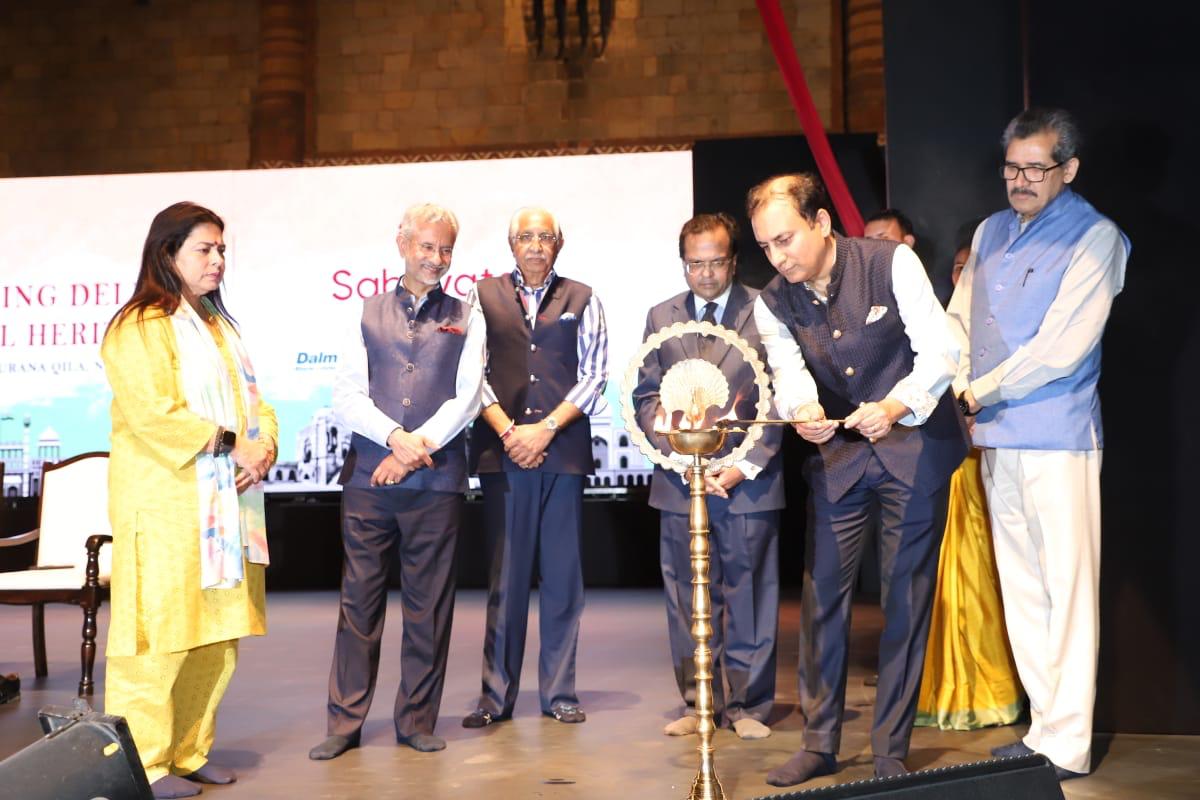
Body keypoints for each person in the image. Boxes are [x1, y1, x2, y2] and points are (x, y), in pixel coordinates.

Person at [748, 174, 968, 786]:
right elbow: (789, 374)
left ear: (820, 223)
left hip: (914, 447)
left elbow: (940, 352)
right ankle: (819, 743)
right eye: (765, 246)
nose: (777, 257)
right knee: (822, 597)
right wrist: (803, 411)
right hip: (840, 458)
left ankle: (890, 748)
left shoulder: (890, 263)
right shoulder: (772, 302)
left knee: (905, 598)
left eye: (785, 239)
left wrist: (895, 406)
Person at [948, 108, 1129, 780]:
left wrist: (982, 388)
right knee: (1023, 589)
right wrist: (959, 378)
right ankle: (1041, 731)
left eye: (1036, 168)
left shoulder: (1096, 237)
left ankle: (1069, 743)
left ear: (1068, 169)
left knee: (1066, 591)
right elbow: (958, 318)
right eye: (1012, 167)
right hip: (997, 437)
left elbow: (1063, 346)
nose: (1020, 180)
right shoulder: (990, 231)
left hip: (1060, 438)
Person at [102, 202, 277, 800]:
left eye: (221, 249)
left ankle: (187, 752)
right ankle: (144, 766)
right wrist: (233, 446)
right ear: (167, 253)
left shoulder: (217, 325)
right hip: (167, 509)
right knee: (158, 639)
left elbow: (257, 405)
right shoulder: (139, 325)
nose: (217, 259)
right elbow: (155, 413)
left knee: (217, 634)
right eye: (204, 249)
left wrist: (264, 447)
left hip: (225, 509)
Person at [308, 203, 485, 760]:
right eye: (427, 246)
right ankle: (344, 721)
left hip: (437, 482)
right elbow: (346, 394)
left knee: (429, 607)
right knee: (358, 604)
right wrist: (393, 438)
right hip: (369, 479)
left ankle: (416, 720)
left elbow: (468, 397)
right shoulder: (363, 311)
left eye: (446, 249)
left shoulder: (469, 315)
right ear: (403, 244)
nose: (437, 258)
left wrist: (412, 451)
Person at [633, 213, 784, 740]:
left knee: (749, 595)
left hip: (748, 482)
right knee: (685, 598)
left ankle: (749, 707)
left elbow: (780, 395)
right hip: (680, 483)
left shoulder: (765, 308)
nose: (705, 273)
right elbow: (646, 397)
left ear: (733, 260)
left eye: (716, 262)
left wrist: (741, 467)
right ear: (683, 264)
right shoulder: (662, 316)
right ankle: (699, 703)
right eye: (695, 264)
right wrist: (680, 457)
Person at [462, 206, 607, 728]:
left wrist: (544, 429)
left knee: (564, 580)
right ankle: (495, 697)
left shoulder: (583, 298)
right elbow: (472, 376)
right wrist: (510, 432)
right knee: (506, 581)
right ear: (511, 244)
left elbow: (594, 375)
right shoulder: (480, 296)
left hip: (562, 455)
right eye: (526, 236)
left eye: (545, 236)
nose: (536, 245)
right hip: (502, 456)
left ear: (558, 244)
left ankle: (560, 693)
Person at [914, 235, 1022, 731]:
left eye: (970, 268)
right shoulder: (939, 328)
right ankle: (949, 688)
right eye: (958, 269)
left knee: (988, 576)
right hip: (951, 462)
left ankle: (995, 686)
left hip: (995, 457)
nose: (963, 277)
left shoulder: (1008, 327)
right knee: (949, 577)